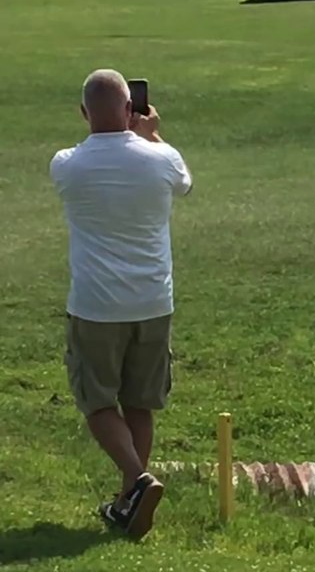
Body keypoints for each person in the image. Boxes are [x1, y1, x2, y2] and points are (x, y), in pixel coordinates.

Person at [49, 68, 193, 540]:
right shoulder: (162, 158)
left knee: (96, 401)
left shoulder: (66, 165)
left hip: (96, 305)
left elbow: (88, 164)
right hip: (153, 300)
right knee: (140, 402)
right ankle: (129, 501)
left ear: (84, 112)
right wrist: (151, 137)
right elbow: (184, 183)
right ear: (132, 109)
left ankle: (136, 480)